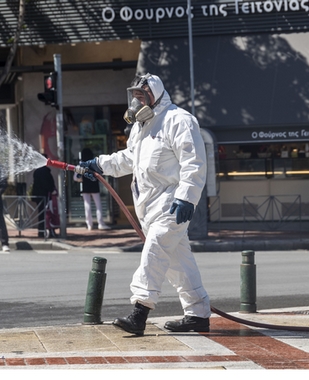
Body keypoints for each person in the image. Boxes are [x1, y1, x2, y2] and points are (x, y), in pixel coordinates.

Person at [79, 73, 210, 336]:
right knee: (177, 262)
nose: (136, 102)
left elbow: (194, 162)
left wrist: (186, 197)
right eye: (135, 97)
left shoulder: (179, 120)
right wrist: (99, 164)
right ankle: (197, 315)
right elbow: (130, 159)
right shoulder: (141, 128)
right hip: (148, 207)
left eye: (141, 96)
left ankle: (139, 312)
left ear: (154, 96)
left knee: (154, 252)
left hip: (172, 204)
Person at [76, 148, 110, 231]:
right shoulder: (93, 164)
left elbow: (76, 177)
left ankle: (89, 224)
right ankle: (100, 223)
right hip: (94, 185)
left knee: (87, 205)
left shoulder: (81, 165)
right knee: (98, 205)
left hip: (85, 187)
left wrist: (82, 179)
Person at [31, 154, 57, 238]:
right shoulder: (45, 171)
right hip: (45, 195)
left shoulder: (37, 171)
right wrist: (52, 190)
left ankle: (41, 231)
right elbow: (47, 183)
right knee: (46, 214)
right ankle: (45, 230)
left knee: (41, 214)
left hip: (39, 195)